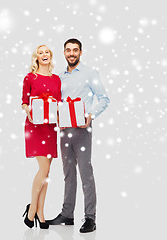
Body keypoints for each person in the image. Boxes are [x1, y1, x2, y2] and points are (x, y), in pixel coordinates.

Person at [46, 39, 110, 233]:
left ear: (81, 52)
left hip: (82, 129)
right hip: (64, 130)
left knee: (85, 172)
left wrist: (91, 116)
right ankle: (67, 213)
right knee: (68, 172)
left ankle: (90, 217)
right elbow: (57, 102)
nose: (71, 53)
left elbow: (104, 99)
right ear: (64, 52)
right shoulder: (59, 77)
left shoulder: (91, 73)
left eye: (75, 50)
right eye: (68, 50)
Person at [21, 45, 61, 229]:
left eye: (47, 52)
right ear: (36, 57)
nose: (44, 54)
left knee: (47, 172)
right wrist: (27, 108)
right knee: (43, 169)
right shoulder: (30, 77)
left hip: (50, 126)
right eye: (40, 52)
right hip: (35, 126)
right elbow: (24, 102)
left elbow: (59, 102)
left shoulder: (56, 79)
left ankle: (40, 211)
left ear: (50, 56)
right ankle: (32, 209)